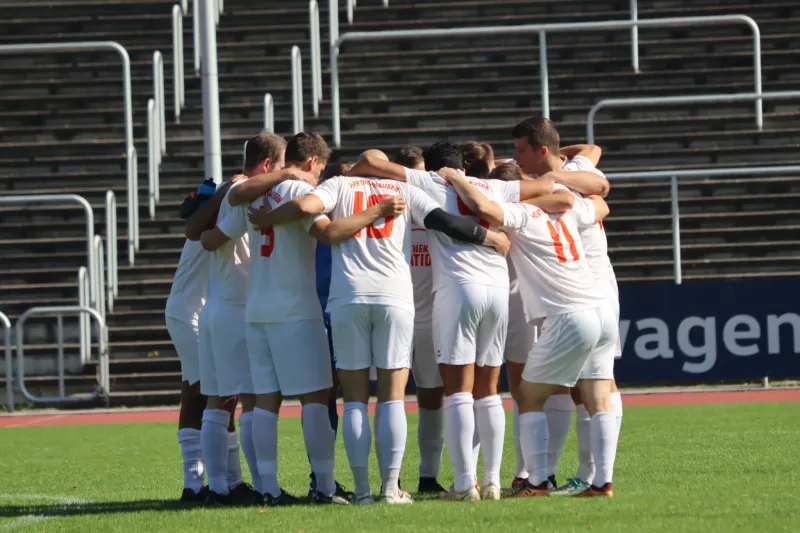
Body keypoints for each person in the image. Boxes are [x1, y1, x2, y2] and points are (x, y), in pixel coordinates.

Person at [248, 148, 510, 505]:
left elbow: (306, 206)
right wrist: (489, 238)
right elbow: (446, 222)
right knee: (392, 397)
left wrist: (267, 218)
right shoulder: (403, 189)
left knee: (355, 399)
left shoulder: (339, 184)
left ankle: (362, 492)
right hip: (395, 298)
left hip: (348, 296)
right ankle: (390, 489)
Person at [348, 142, 553, 502]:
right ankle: (492, 481)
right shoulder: (494, 187)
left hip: (457, 289)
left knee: (458, 391)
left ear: (433, 166)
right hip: (497, 290)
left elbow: (371, 162)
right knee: (489, 391)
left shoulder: (427, 181)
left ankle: (463, 484)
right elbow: (547, 186)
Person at [237, 134, 405, 506]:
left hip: (257, 307)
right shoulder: (299, 189)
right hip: (295, 307)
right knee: (316, 397)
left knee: (264, 402)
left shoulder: (257, 192)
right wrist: (375, 211)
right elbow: (328, 233)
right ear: (313, 162)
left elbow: (233, 203)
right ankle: (326, 488)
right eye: (321, 170)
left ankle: (268, 489)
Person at [442, 168, 619, 498]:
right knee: (599, 400)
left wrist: (457, 178)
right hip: (602, 311)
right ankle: (602, 483)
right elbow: (602, 204)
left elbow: (482, 207)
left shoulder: (520, 214)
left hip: (569, 314)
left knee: (529, 396)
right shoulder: (569, 209)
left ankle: (536, 482)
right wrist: (562, 193)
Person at [194, 132, 306, 506]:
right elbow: (213, 237)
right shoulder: (247, 193)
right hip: (237, 309)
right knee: (253, 401)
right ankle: (262, 487)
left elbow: (204, 238)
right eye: (281, 165)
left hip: (216, 306)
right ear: (268, 165)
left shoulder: (234, 190)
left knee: (217, 402)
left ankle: (219, 489)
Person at [393, 146, 446, 494]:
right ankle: (392, 478)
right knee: (391, 397)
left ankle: (428, 477)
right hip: (396, 313)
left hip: (427, 318)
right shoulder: (386, 210)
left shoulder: (437, 212)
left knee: (431, 397)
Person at [166, 179, 216, 503]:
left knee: (194, 395)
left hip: (189, 313)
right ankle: (208, 482)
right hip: (189, 315)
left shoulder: (202, 228)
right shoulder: (204, 230)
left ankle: (194, 484)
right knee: (210, 393)